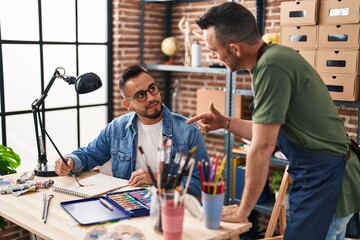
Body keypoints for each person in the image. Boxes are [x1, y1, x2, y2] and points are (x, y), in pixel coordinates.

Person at [186, 2, 360, 239]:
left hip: (329, 180)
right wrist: (225, 122)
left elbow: (263, 146)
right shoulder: (271, 60)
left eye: (215, 51)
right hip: (320, 176)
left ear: (235, 49)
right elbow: (266, 132)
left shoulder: (271, 66)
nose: (215, 56)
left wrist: (242, 210)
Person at [55, 65, 209, 197]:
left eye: (152, 89)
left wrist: (158, 179)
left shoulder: (188, 131)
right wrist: (70, 161)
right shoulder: (116, 129)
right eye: (140, 95)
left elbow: (203, 183)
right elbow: (89, 154)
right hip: (127, 205)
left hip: (171, 210)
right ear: (127, 105)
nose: (151, 98)